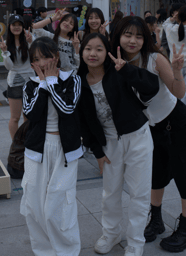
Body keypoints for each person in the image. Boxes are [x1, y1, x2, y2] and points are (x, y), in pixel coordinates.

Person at [113, 17, 186, 253]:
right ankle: (156, 220)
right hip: (150, 128)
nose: (133, 41)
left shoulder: (154, 58)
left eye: (139, 36)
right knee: (155, 175)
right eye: (127, 35)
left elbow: (178, 92)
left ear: (146, 38)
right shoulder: (115, 62)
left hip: (176, 122)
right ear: (118, 36)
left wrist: (177, 71)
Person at [77, 34, 159, 256]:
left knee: (139, 193)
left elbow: (152, 87)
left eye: (99, 49)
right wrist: (97, 151)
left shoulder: (119, 72)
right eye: (88, 49)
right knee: (110, 193)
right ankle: (111, 234)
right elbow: (83, 121)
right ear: (81, 52)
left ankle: (135, 242)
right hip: (109, 144)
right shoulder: (79, 81)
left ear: (108, 53)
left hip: (137, 137)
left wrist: (127, 70)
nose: (93, 54)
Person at [20, 37, 82, 256]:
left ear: (56, 57)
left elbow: (67, 108)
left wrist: (53, 82)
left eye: (46, 57)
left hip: (65, 150)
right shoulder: (30, 85)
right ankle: (44, 251)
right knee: (34, 204)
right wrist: (43, 84)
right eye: (36, 59)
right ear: (32, 64)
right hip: (36, 150)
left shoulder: (72, 79)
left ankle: (67, 251)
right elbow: (31, 114)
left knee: (59, 203)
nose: (42, 63)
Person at [0, 15, 34, 139]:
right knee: (15, 118)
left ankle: (27, 142)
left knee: (28, 116)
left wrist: (31, 43)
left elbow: (35, 57)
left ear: (23, 26)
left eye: (19, 24)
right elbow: (9, 67)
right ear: (10, 26)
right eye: (14, 25)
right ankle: (16, 144)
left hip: (31, 82)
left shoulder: (30, 38)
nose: (17, 27)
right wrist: (4, 52)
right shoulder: (6, 44)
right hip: (14, 83)